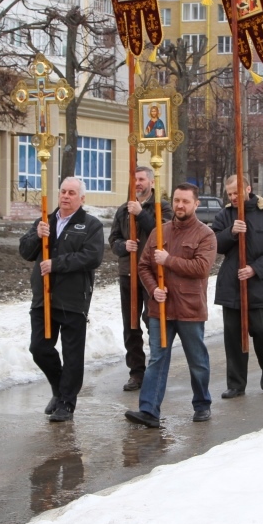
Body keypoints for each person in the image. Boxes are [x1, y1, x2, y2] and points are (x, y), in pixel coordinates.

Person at [124, 184, 217, 428]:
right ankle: (149, 410)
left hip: (189, 308)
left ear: (196, 204)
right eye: (177, 200)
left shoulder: (205, 235)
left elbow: (201, 268)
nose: (180, 205)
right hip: (161, 308)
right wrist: (153, 288)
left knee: (196, 360)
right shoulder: (159, 232)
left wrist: (168, 260)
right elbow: (144, 266)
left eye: (185, 201)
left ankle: (202, 404)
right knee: (157, 358)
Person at [20, 177, 104, 423]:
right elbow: (25, 252)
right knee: (39, 348)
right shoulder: (45, 221)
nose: (66, 196)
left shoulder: (91, 225)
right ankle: (59, 389)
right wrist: (37, 236)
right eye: (63, 192)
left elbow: (92, 257)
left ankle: (67, 402)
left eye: (71, 193)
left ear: (82, 198)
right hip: (44, 297)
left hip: (73, 298)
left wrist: (57, 264)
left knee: (72, 354)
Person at [212, 174, 263, 398]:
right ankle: (236, 384)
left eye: (236, 192)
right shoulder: (225, 215)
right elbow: (214, 244)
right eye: (229, 194)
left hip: (259, 285)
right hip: (231, 285)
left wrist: (255, 269)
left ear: (248, 189)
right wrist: (231, 232)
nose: (233, 197)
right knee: (233, 336)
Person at [107, 166, 173, 392]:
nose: (137, 183)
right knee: (131, 324)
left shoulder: (162, 207)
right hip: (128, 273)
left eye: (142, 179)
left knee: (152, 320)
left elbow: (163, 234)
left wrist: (141, 214)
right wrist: (123, 246)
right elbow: (113, 239)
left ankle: (156, 369)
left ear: (152, 182)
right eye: (134, 179)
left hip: (153, 273)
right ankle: (136, 372)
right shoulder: (123, 209)